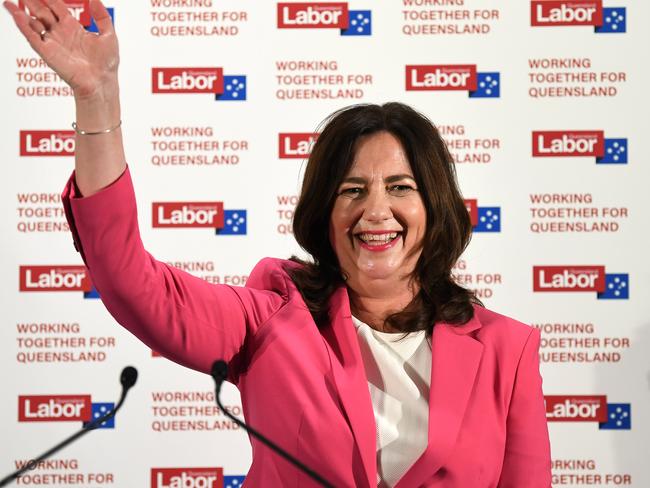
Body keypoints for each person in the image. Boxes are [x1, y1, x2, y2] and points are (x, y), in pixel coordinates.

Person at [5, 0, 552, 486]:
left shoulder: (508, 352)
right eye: (352, 190)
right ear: (325, 213)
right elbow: (132, 284)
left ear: (435, 209)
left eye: (401, 188)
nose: (376, 210)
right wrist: (98, 97)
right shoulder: (272, 322)